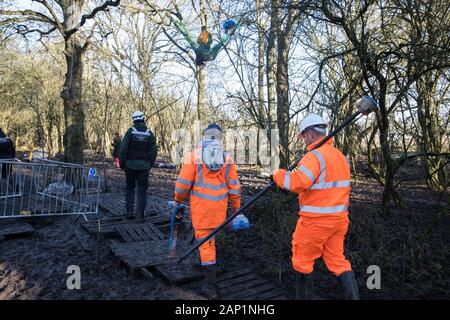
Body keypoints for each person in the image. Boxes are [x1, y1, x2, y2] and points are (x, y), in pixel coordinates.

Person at [271, 114, 359, 300]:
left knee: (302, 261)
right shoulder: (341, 157)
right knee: (338, 261)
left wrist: (277, 175)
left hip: (315, 223)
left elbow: (298, 182)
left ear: (310, 134)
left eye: (303, 136)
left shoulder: (314, 156)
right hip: (339, 221)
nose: (303, 141)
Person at [173, 124, 241, 299]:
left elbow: (182, 186)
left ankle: (211, 288)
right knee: (208, 240)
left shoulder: (193, 156)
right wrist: (235, 209)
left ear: (204, 138)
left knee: (207, 245)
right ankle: (200, 261)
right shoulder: (227, 159)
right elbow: (234, 188)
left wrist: (178, 200)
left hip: (202, 210)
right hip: (219, 211)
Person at [119, 111, 157, 221]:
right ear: (143, 119)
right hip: (144, 167)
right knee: (142, 191)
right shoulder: (149, 133)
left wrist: (122, 163)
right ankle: (140, 215)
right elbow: (154, 151)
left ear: (134, 119)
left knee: (130, 188)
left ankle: (129, 213)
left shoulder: (130, 132)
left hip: (129, 166)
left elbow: (123, 149)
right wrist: (150, 163)